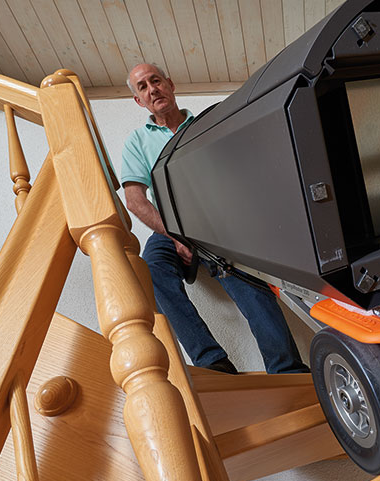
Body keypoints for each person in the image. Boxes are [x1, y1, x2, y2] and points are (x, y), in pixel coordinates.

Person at [119, 63, 309, 375]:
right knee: (150, 269)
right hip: (168, 228)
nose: (152, 89)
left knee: (249, 280)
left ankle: (287, 368)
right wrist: (175, 236)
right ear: (139, 101)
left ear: (171, 84)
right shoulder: (137, 142)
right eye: (142, 87)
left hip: (217, 227)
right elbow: (135, 201)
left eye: (156, 80)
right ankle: (213, 363)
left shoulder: (208, 124)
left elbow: (240, 177)